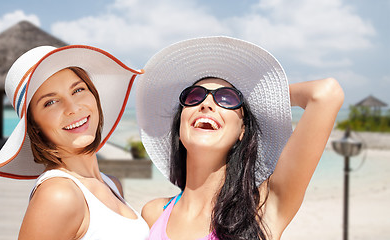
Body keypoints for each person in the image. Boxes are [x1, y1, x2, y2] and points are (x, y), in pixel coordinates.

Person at [136, 36, 344, 240]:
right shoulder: (154, 213)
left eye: (227, 99)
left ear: (242, 131)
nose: (206, 104)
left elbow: (325, 94)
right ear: (179, 124)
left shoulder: (263, 209)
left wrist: (255, 101)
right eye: (194, 96)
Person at [0, 45, 149, 239]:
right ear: (35, 125)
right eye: (50, 102)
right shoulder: (58, 195)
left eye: (78, 89)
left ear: (94, 95)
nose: (72, 108)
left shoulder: (111, 184)